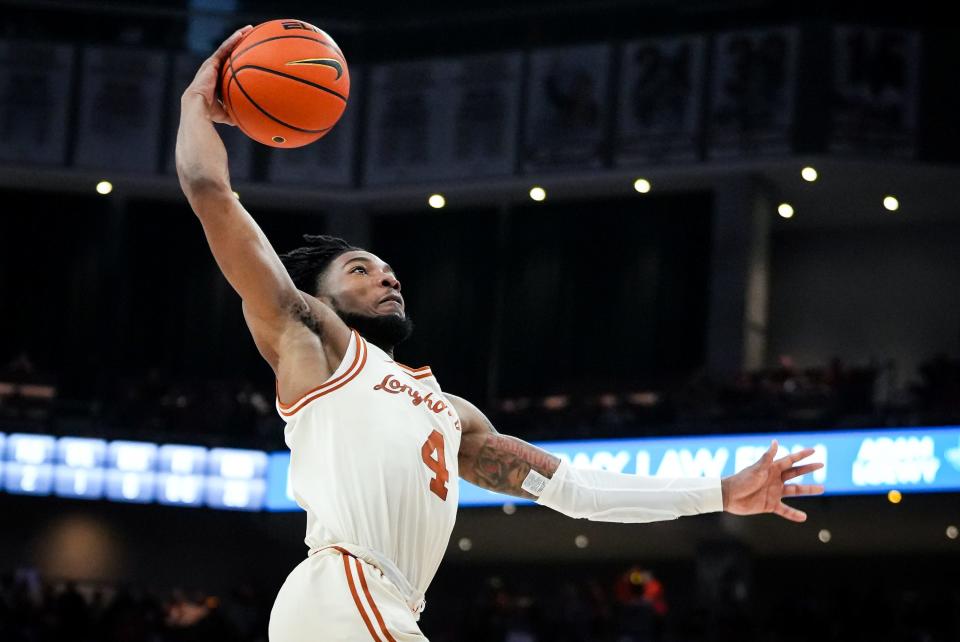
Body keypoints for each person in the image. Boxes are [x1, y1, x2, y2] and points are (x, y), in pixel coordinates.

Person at [176, 27, 825, 642]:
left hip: (384, 603)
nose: (386, 277)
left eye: (390, 270)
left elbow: (574, 490)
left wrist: (715, 492)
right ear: (319, 301)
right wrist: (195, 107)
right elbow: (211, 192)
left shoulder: (451, 415)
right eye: (360, 269)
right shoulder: (311, 343)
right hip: (344, 589)